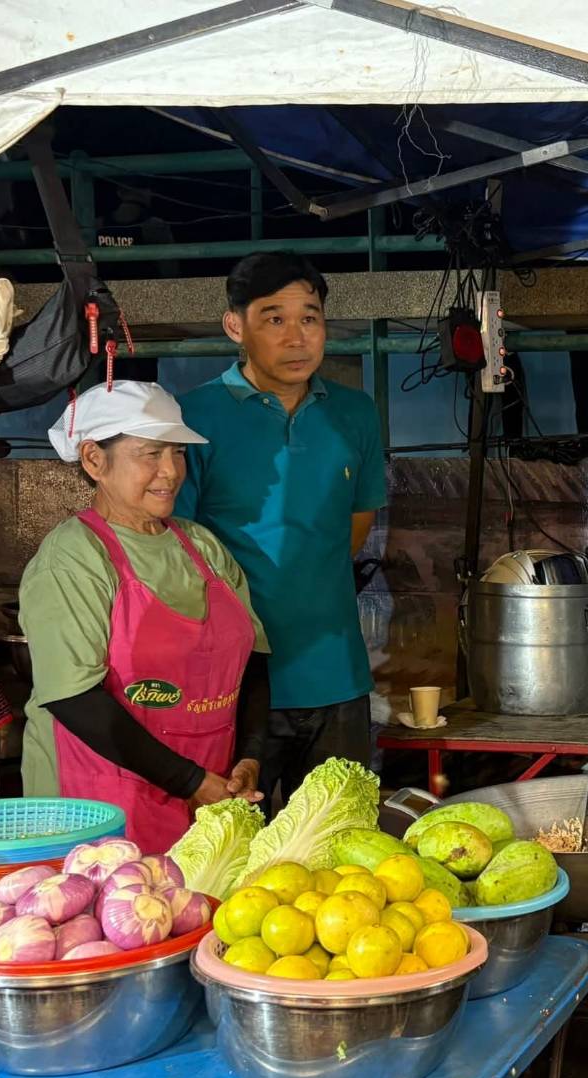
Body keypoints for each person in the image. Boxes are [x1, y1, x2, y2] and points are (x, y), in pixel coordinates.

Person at [175, 252, 387, 810]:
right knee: (232, 843)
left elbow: (355, 525)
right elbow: (181, 550)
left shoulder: (355, 414)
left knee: (337, 838)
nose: (297, 338)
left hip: (337, 676)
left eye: (309, 318)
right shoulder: (192, 419)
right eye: (274, 318)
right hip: (235, 687)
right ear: (235, 326)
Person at [20, 381, 268, 852]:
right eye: (151, 454)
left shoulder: (202, 546)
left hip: (210, 790)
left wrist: (251, 757)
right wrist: (190, 780)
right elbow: (74, 699)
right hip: (103, 804)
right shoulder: (73, 558)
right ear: (94, 460)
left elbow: (252, 661)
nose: (171, 471)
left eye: (178, 453)